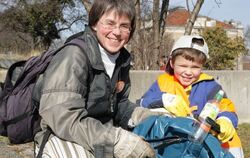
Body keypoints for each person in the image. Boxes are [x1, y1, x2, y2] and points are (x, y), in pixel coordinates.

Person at [34, 0, 162, 157]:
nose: (117, 32)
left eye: (124, 26)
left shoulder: (122, 59)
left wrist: (143, 116)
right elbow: (62, 115)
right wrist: (114, 140)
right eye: (110, 23)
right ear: (94, 24)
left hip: (100, 132)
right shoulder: (74, 55)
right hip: (62, 134)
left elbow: (118, 105)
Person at [138, 35, 244, 158]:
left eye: (195, 67)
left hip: (203, 147)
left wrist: (226, 120)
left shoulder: (210, 86)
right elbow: (141, 103)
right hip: (171, 147)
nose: (188, 72)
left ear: (202, 66)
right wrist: (163, 99)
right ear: (172, 63)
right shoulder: (163, 82)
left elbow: (226, 107)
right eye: (183, 66)